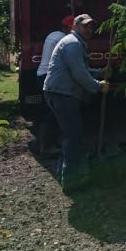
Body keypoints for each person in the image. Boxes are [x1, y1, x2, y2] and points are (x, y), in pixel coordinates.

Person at [43, 13, 111, 193]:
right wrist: (98, 86)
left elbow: (82, 69)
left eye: (91, 26)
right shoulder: (73, 44)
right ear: (75, 26)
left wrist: (99, 72)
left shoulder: (75, 42)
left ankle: (65, 173)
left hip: (60, 92)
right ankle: (70, 182)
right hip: (62, 93)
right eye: (85, 26)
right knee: (73, 136)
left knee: (71, 134)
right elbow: (79, 74)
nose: (89, 29)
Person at [36, 15, 74, 155]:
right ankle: (46, 147)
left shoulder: (53, 35)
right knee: (51, 112)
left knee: (51, 111)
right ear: (66, 28)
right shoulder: (62, 39)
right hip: (49, 76)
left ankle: (50, 142)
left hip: (42, 74)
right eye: (72, 28)